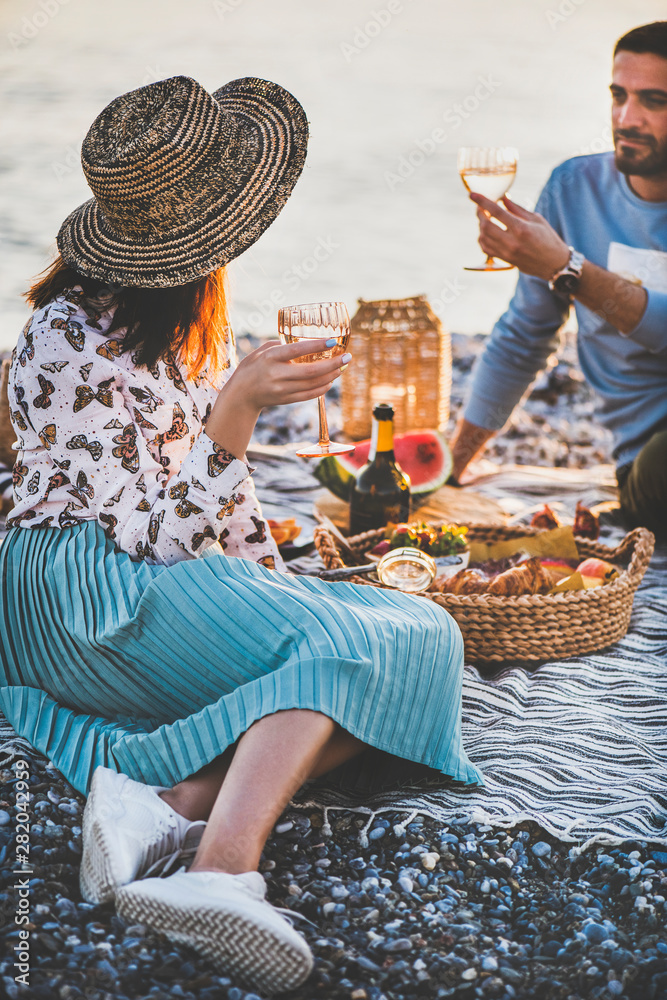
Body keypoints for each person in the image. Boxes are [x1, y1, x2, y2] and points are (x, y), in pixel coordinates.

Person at [0, 76, 482, 994]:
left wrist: (278, 582)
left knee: (421, 635)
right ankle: (220, 870)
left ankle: (169, 804)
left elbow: (216, 514)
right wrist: (236, 413)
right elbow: (145, 537)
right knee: (354, 649)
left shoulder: (185, 329)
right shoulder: (66, 333)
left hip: (146, 579)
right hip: (77, 595)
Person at [449, 22, 667, 539]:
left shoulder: (566, 258)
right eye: (619, 95)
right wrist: (451, 468)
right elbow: (524, 337)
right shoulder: (575, 190)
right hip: (653, 468)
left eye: (654, 101)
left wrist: (567, 269)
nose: (626, 118)